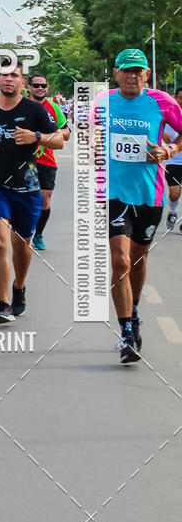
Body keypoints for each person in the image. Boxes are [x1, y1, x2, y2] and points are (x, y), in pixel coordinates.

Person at [93, 49, 182, 364]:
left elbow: (181, 134)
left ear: (147, 75)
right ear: (116, 73)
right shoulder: (102, 102)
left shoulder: (163, 102)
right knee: (119, 261)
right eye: (126, 70)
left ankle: (133, 310)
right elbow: (91, 136)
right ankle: (127, 332)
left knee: (138, 259)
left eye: (138, 71)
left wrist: (168, 149)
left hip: (150, 193)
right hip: (114, 192)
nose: (132, 76)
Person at [0, 60, 63, 324]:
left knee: (21, 244)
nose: (8, 79)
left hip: (27, 188)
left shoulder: (34, 110)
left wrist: (37, 136)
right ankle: (3, 304)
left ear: (22, 82)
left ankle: (19, 287)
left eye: (14, 75)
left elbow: (57, 139)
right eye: (4, 75)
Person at [27, 74, 71, 250]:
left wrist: (48, 136)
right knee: (25, 198)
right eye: (36, 85)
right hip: (24, 159)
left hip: (47, 160)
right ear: (28, 87)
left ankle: (38, 234)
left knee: (45, 200)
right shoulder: (22, 106)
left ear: (47, 88)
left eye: (43, 85)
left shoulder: (53, 108)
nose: (40, 88)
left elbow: (66, 133)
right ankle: (24, 230)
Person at [164, 88, 182, 230]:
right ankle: (173, 211)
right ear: (175, 98)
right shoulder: (170, 113)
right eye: (180, 97)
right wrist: (163, 135)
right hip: (173, 160)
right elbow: (156, 124)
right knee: (175, 193)